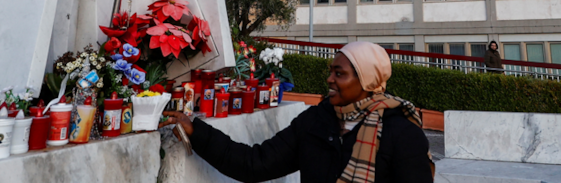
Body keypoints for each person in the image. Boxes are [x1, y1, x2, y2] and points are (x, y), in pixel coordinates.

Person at [165, 41, 433, 182]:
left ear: (368, 82)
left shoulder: (402, 133)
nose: (330, 79)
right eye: (330, 71)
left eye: (340, 74)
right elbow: (254, 163)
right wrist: (197, 131)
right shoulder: (315, 121)